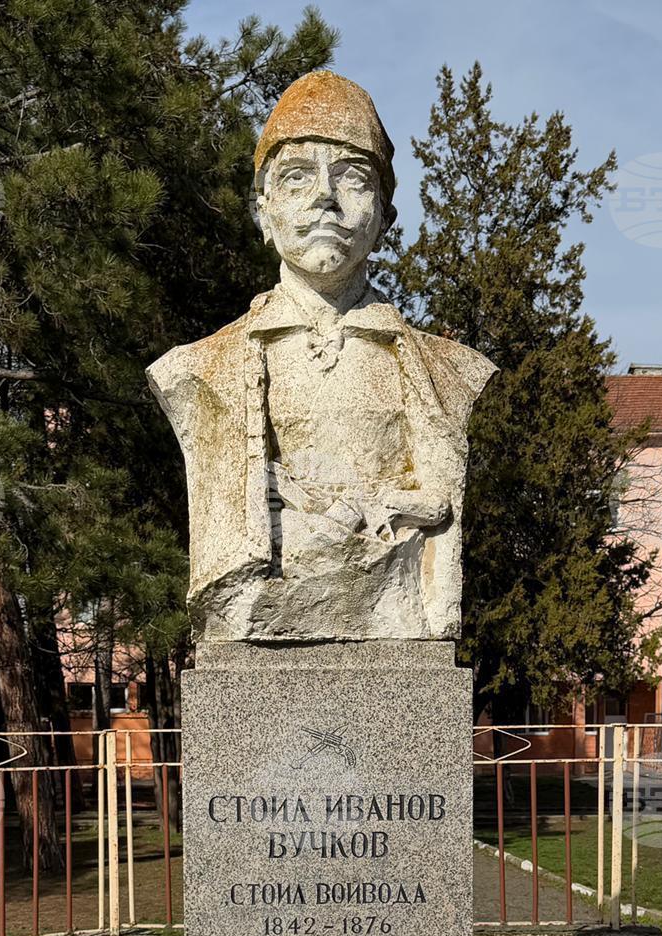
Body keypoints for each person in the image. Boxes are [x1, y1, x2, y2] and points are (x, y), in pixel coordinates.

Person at [148, 71, 496, 642]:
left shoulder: (447, 372)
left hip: (397, 629)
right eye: (296, 176)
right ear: (263, 211)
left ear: (385, 219)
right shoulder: (200, 370)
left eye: (353, 178)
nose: (324, 197)